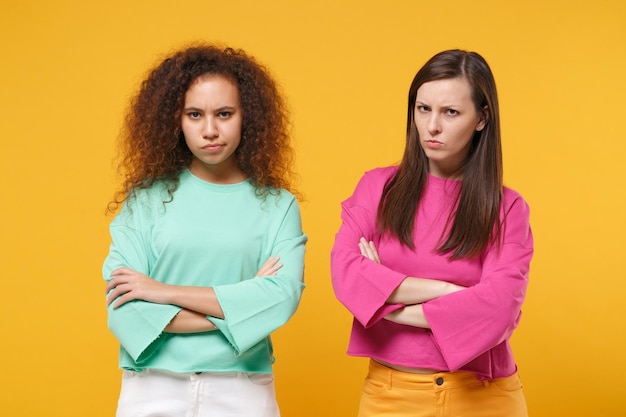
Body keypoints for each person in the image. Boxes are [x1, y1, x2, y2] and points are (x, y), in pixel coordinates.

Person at [102, 44, 307, 417]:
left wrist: (161, 292)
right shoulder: (144, 203)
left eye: (224, 114)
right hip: (151, 385)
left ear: (248, 117)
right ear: (175, 120)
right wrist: (240, 306)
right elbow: (125, 312)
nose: (210, 130)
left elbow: (280, 300)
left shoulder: (278, 206)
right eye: (194, 114)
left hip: (242, 388)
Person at [330, 49, 533, 417]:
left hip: (483, 397)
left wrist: (386, 304)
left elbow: (499, 310)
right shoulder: (377, 188)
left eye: (450, 112)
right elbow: (347, 276)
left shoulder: (507, 208)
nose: (431, 126)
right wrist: (449, 293)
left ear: (481, 119)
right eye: (423, 109)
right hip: (390, 397)